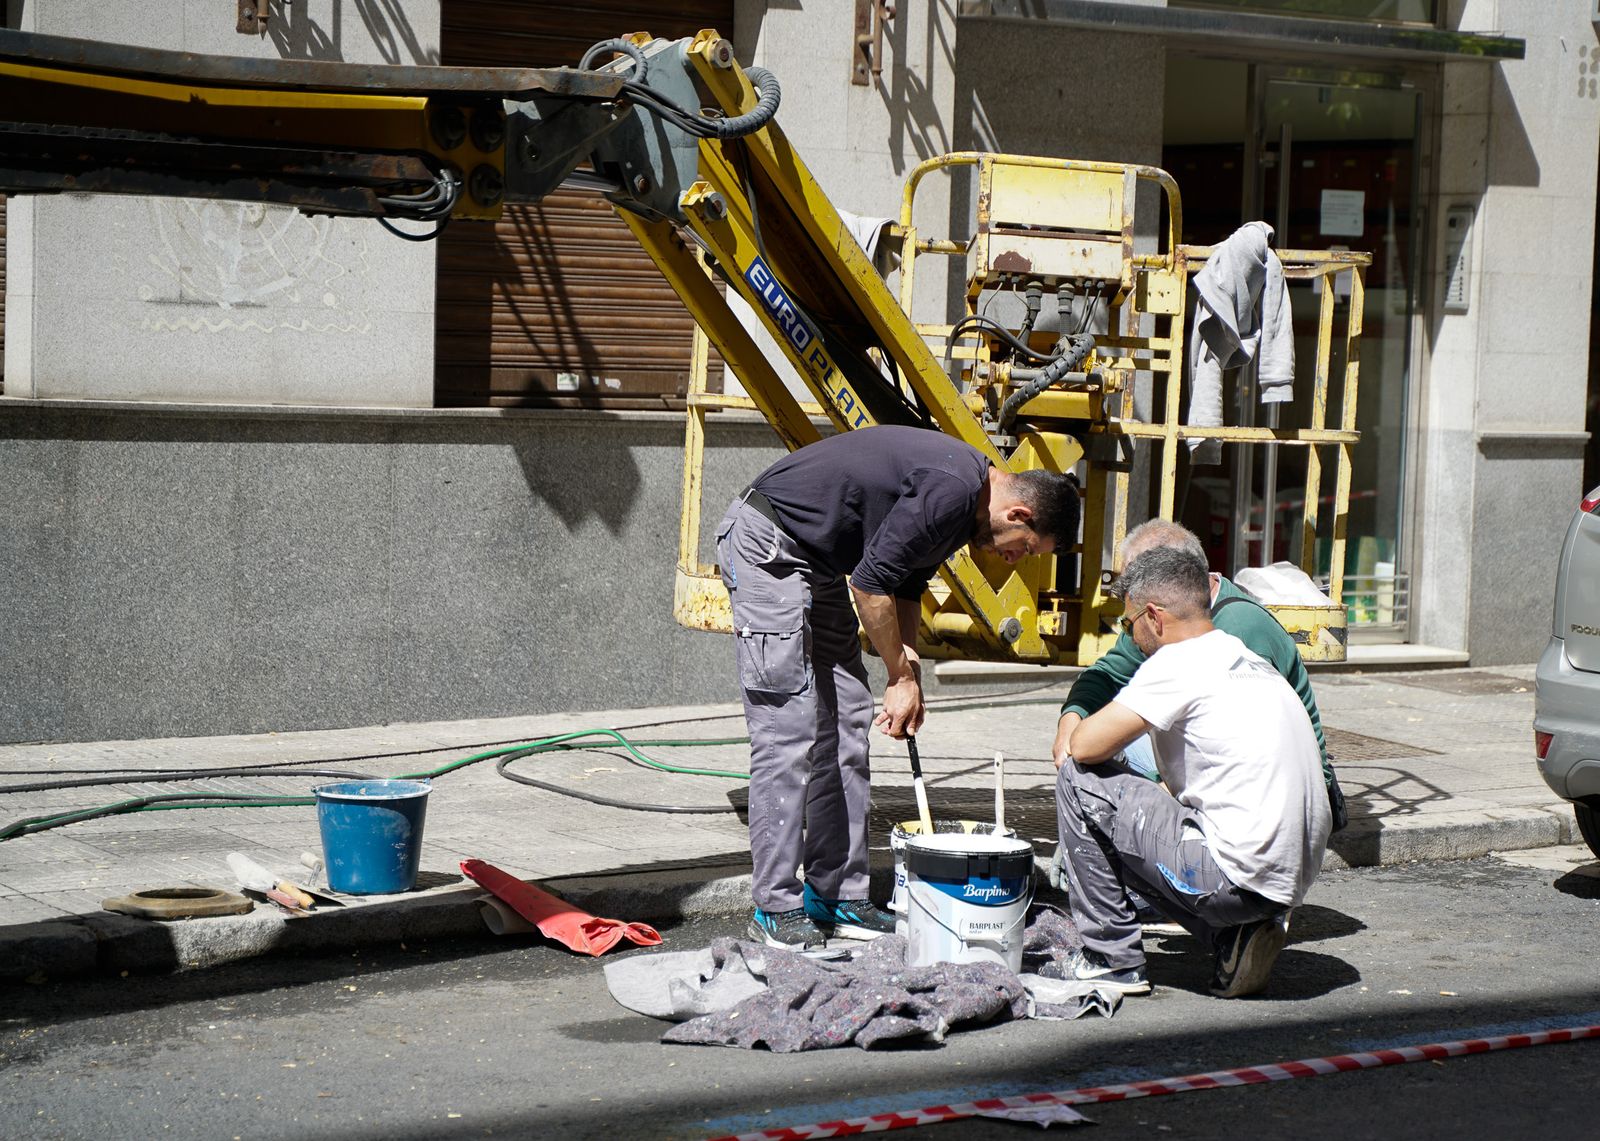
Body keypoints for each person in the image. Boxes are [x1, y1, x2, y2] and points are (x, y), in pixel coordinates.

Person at [716, 424, 1081, 950]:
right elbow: (869, 584)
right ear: (1018, 515)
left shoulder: (968, 504)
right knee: (789, 730)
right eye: (1025, 547)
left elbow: (905, 584)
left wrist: (904, 669)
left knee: (847, 721)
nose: (1014, 559)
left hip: (819, 561)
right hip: (770, 544)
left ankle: (839, 893)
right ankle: (773, 906)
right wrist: (900, 676)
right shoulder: (953, 488)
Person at [1054, 546, 1332, 997]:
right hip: (1283, 881)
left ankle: (1110, 959)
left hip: (1236, 877)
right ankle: (1232, 937)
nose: (1130, 635)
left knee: (1079, 783)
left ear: (1153, 617)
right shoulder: (1243, 656)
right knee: (1143, 816)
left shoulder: (1176, 661)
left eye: (1128, 625)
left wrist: (1074, 725)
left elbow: (1082, 747)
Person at [1051, 519, 1345, 829]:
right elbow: (1106, 675)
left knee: (1098, 766)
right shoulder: (1151, 615)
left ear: (1171, 581)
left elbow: (1248, 754)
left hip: (1282, 799)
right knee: (1098, 732)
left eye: (1135, 582)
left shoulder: (1239, 627)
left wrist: (1146, 811)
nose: (1128, 594)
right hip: (1235, 775)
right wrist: (1069, 723)